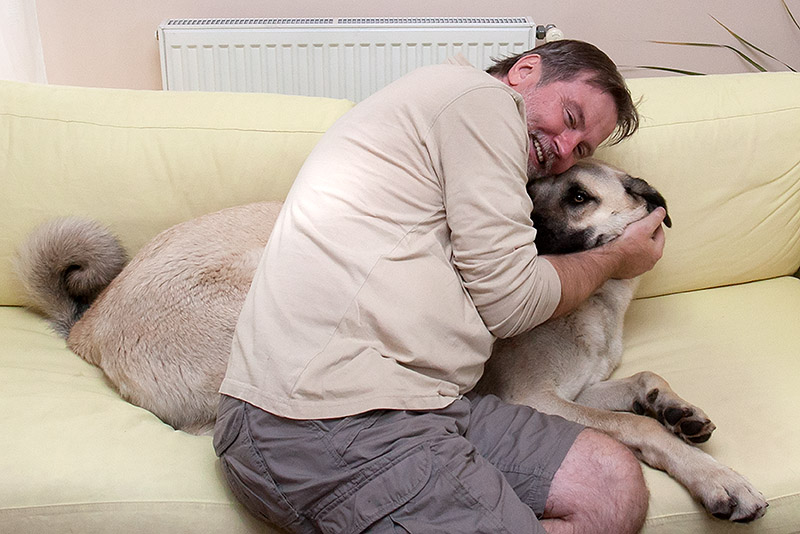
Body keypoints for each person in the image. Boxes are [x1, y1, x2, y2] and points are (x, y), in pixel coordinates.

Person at [214, 40, 666, 534]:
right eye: (569, 117)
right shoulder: (480, 100)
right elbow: (513, 303)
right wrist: (618, 258)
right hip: (316, 418)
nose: (563, 149)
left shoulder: (468, 139)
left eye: (581, 149)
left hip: (426, 405)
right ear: (525, 70)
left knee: (610, 483)